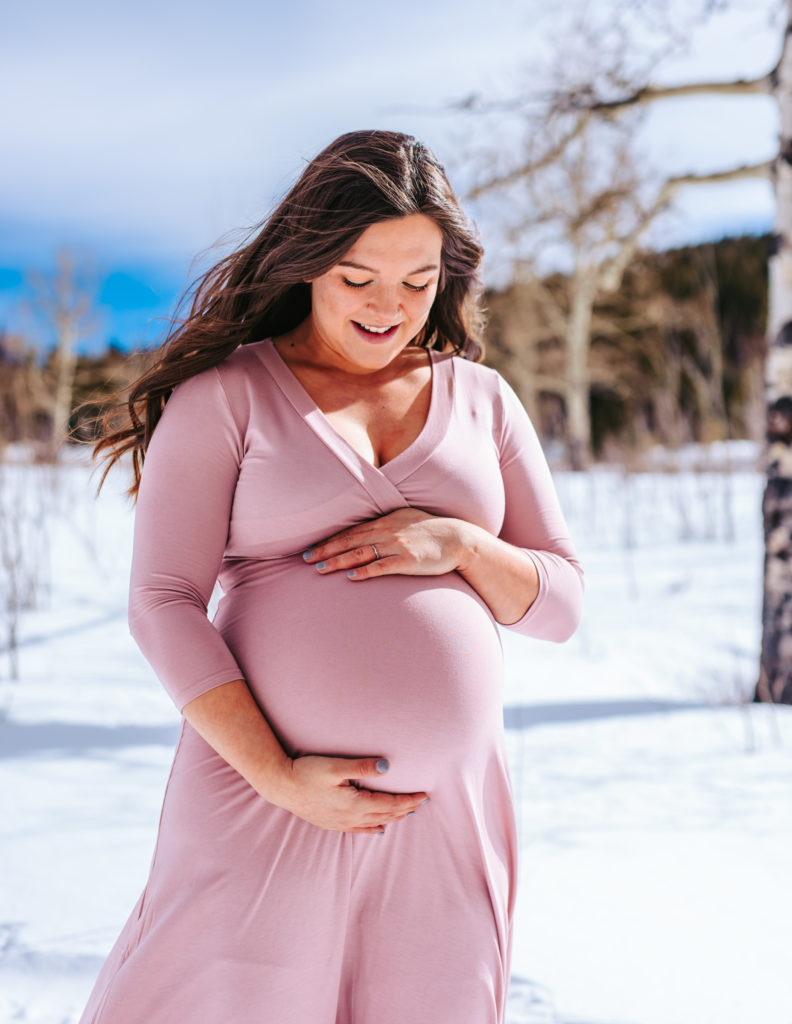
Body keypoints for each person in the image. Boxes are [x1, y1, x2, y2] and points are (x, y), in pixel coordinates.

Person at [79, 129, 583, 1024]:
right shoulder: (229, 396)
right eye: (359, 277)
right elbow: (162, 601)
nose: (390, 306)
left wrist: (461, 545)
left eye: (418, 281)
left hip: (443, 813)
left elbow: (560, 605)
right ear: (309, 261)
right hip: (262, 796)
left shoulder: (483, 400)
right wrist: (277, 775)